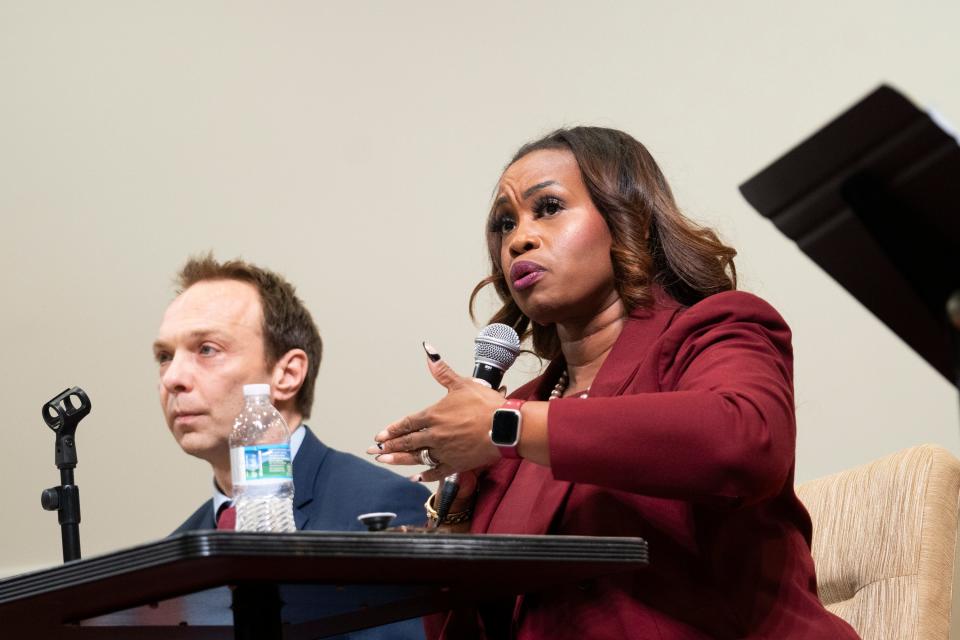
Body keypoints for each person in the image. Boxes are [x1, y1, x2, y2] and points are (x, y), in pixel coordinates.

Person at [371, 127, 861, 639]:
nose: (519, 238)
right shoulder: (523, 405)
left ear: (629, 219)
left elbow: (743, 443)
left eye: (549, 207)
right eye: (505, 224)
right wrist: (457, 507)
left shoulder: (716, 329)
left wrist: (505, 426)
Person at [154, 255, 429, 638]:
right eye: (164, 357)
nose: (173, 378)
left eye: (207, 349)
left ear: (287, 374)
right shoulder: (173, 554)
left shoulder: (384, 508)